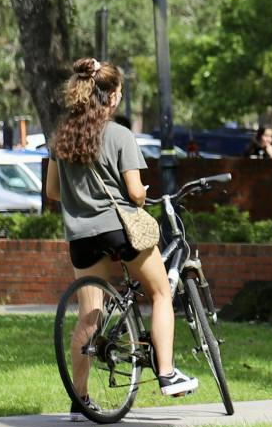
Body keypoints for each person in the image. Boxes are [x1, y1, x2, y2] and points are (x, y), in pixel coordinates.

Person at [47, 59, 196, 405]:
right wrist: (141, 190)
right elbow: (135, 193)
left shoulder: (62, 137)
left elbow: (53, 192)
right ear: (111, 97)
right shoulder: (119, 135)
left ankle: (80, 398)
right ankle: (167, 372)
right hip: (119, 230)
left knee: (90, 314)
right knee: (160, 294)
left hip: (81, 237)